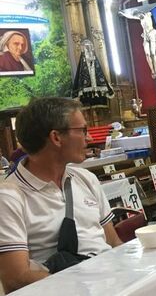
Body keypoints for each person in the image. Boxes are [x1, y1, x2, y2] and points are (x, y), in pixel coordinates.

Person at [0, 98, 123, 293]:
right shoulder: (9, 197)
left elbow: (114, 243)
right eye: (83, 130)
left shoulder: (85, 179)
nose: (89, 138)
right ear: (56, 137)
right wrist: (87, 282)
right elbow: (16, 278)